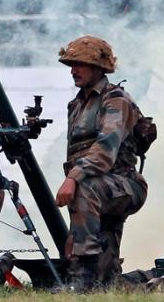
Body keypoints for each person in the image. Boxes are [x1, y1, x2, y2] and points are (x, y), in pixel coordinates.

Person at [56, 36, 150, 290]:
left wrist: (73, 178)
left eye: (81, 64)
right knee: (107, 280)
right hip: (101, 186)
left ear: (99, 68)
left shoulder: (115, 99)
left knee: (84, 187)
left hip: (125, 185)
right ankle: (148, 282)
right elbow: (75, 155)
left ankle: (82, 281)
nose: (74, 70)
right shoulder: (76, 105)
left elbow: (105, 150)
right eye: (71, 64)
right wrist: (75, 234)